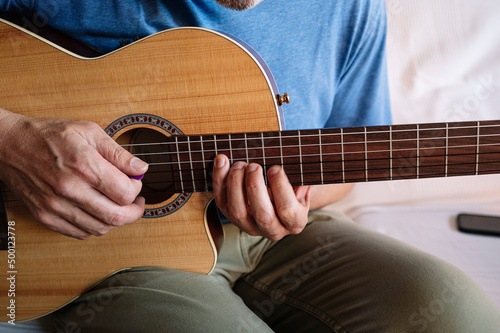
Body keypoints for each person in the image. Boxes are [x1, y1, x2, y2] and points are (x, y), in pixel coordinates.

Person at [1, 0, 500, 332]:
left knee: (461, 315)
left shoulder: (352, 6)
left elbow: (350, 165)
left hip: (288, 239)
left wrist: (299, 197)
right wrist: (13, 140)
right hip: (110, 249)